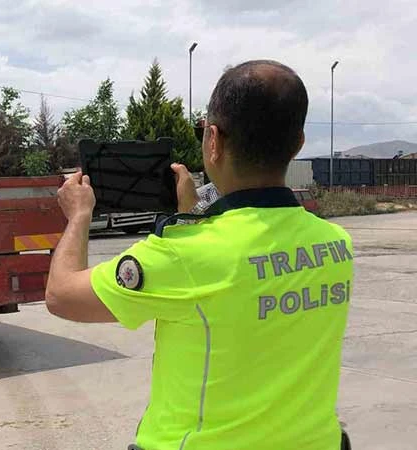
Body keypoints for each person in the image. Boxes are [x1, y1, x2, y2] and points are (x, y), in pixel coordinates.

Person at [45, 60, 353, 450]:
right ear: (298, 143)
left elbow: (62, 295)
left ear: (213, 140)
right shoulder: (336, 244)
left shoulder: (182, 254)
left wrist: (79, 216)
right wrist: (192, 217)